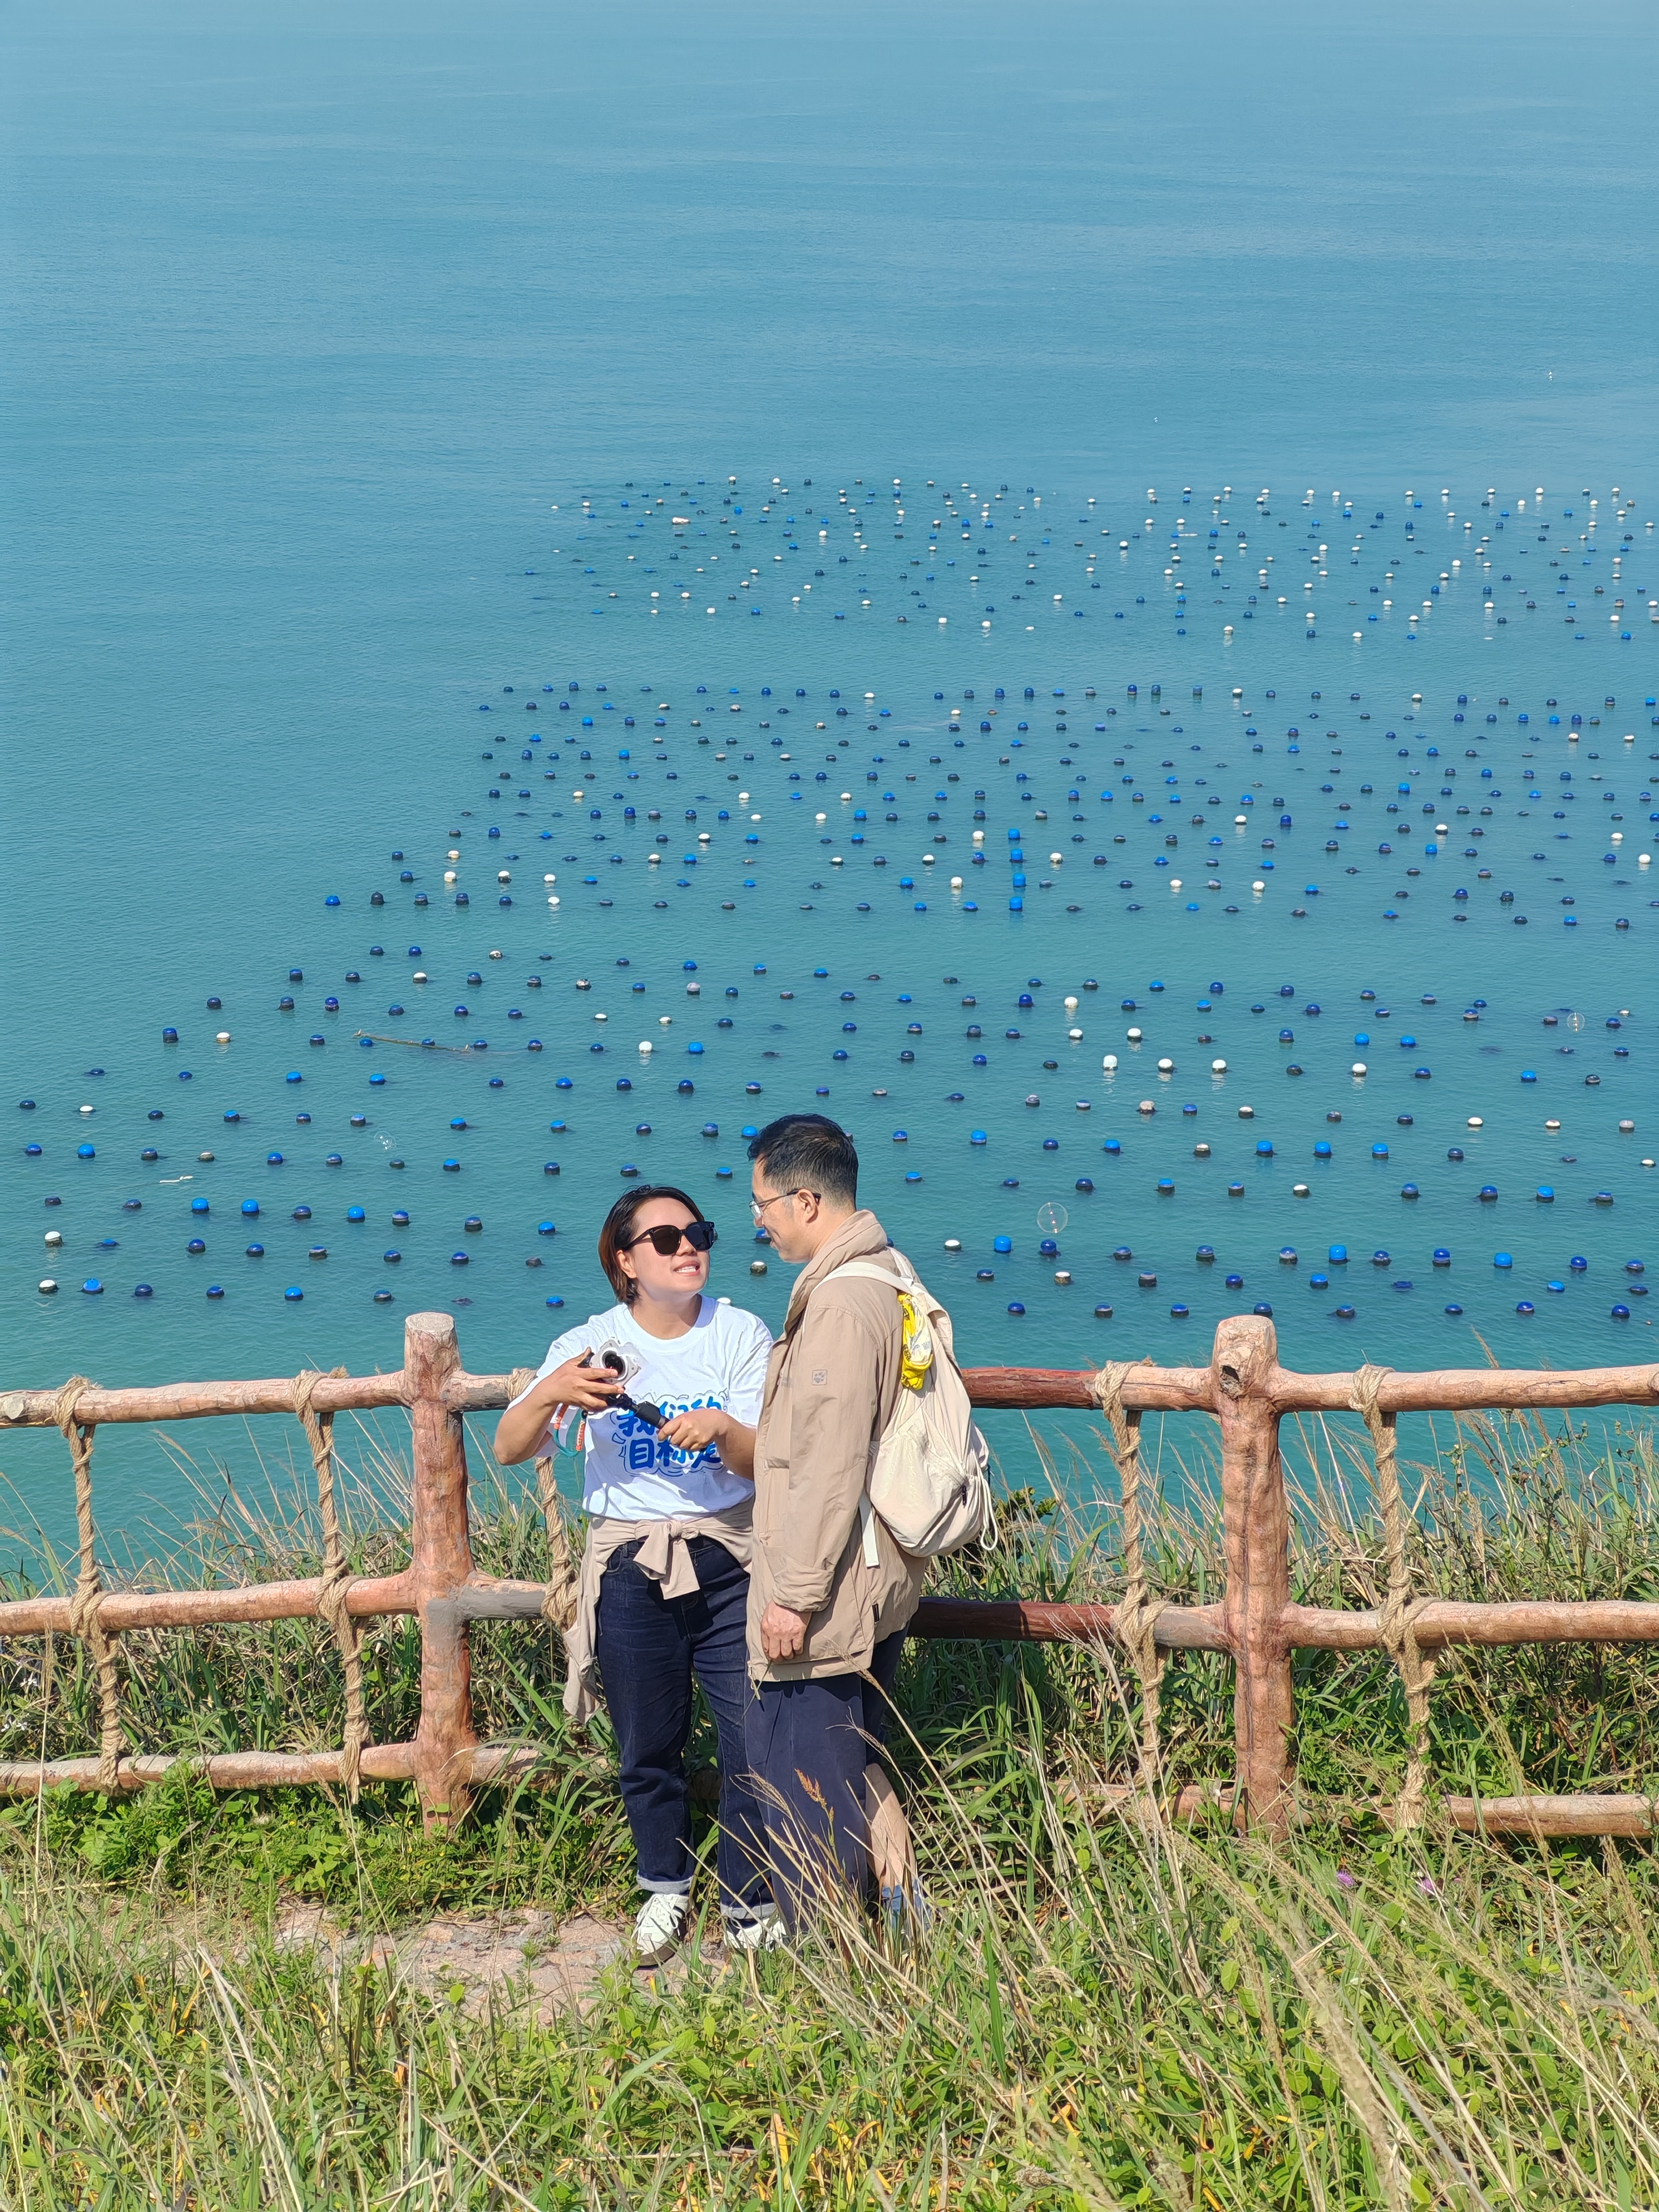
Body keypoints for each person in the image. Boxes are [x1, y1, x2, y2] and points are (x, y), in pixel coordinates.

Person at [496, 1185, 782, 1964]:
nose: (688, 1248)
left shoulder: (740, 1333)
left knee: (751, 1737)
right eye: (665, 1239)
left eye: (699, 1233)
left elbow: (764, 1457)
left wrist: (722, 1429)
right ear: (625, 1261)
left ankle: (749, 1897)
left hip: (730, 1558)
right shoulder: (590, 1344)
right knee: (646, 1744)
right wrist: (554, 1390)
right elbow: (510, 1447)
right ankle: (665, 1887)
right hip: (629, 1566)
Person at [743, 1113, 926, 1931]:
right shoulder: (887, 1274)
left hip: (829, 1587)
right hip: (873, 1572)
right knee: (855, 1762)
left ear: (807, 1201)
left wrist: (795, 1594)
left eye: (764, 1203)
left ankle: (830, 1957)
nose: (758, 1220)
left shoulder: (843, 1304)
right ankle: (901, 1930)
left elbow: (827, 1460)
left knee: (806, 1778)